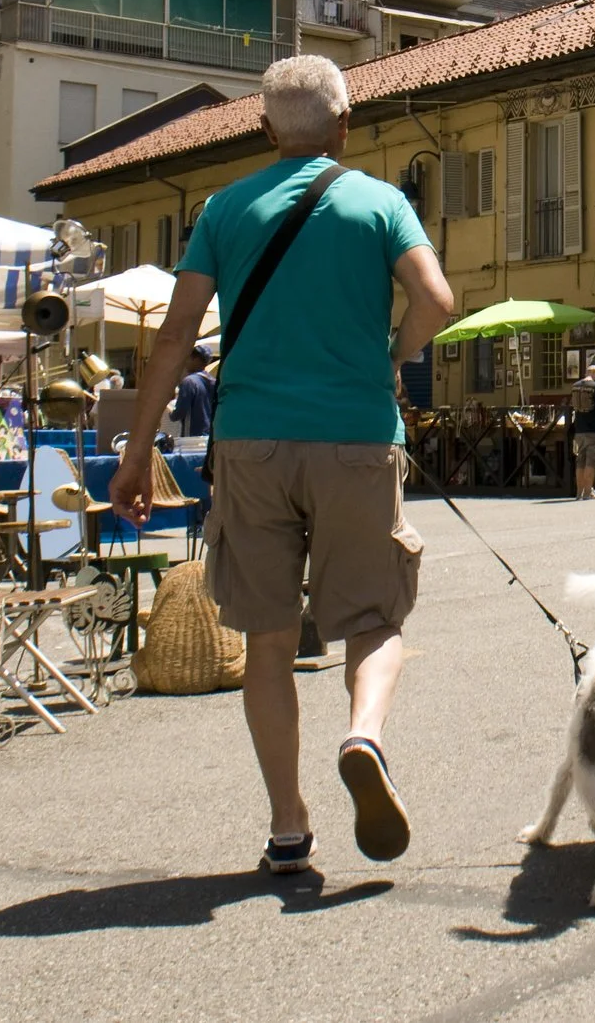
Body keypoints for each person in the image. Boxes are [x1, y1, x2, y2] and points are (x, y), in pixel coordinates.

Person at [108, 55, 455, 876]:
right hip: (357, 435)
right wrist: (388, 356)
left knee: (267, 639)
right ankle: (363, 735)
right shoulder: (380, 202)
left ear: (264, 130)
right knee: (373, 620)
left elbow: (174, 337)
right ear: (345, 126)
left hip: (252, 442)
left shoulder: (224, 210)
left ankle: (289, 828)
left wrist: (136, 450)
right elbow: (438, 302)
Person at [567, 363, 595, 500]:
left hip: (579, 429)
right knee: (591, 461)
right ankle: (588, 491)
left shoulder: (575, 386)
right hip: (594, 429)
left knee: (580, 461)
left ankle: (579, 492)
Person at [173, 345, 217, 439]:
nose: (186, 362)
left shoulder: (189, 382)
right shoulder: (214, 382)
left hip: (192, 438)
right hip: (209, 436)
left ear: (196, 359)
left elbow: (180, 412)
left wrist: (170, 414)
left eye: (188, 358)